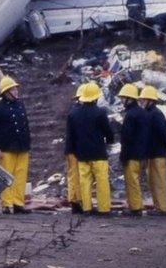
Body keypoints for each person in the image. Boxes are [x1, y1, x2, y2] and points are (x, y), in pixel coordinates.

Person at [66, 82, 114, 216]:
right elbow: (108, 132)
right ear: (96, 97)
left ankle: (87, 208)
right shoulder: (100, 113)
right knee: (102, 181)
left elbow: (71, 135)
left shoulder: (73, 114)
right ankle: (104, 209)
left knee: (85, 182)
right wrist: (109, 141)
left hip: (82, 154)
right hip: (98, 153)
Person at [0, 76, 32, 215]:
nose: (16, 90)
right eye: (13, 89)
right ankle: (7, 204)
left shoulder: (20, 104)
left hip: (22, 146)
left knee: (21, 176)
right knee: (7, 177)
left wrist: (27, 143)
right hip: (6, 147)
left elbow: (25, 125)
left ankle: (18, 203)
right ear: (6, 92)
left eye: (16, 88)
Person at [118, 84, 150, 217]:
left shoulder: (130, 115)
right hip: (142, 154)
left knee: (132, 182)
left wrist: (123, 156)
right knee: (136, 181)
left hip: (132, 154)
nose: (121, 100)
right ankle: (135, 206)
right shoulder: (143, 113)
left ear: (129, 99)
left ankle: (136, 208)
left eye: (123, 98)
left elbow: (126, 138)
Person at [139, 85, 166, 215]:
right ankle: (158, 207)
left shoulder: (156, 114)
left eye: (144, 100)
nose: (141, 102)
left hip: (157, 153)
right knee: (153, 182)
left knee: (159, 182)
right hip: (151, 153)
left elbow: (163, 133)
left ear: (151, 100)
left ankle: (162, 208)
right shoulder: (149, 113)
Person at [64, 84, 86, 214]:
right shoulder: (78, 113)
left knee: (73, 176)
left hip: (72, 149)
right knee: (75, 176)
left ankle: (75, 200)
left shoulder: (74, 112)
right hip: (75, 150)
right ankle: (76, 201)